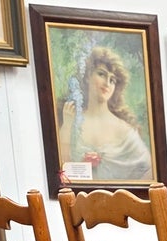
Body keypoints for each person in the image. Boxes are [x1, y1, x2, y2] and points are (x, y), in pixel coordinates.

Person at [58, 44, 152, 183]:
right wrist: (66, 126)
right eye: (101, 74)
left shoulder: (123, 129)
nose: (107, 83)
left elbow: (150, 171)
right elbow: (61, 172)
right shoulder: (70, 118)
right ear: (88, 76)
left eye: (112, 80)